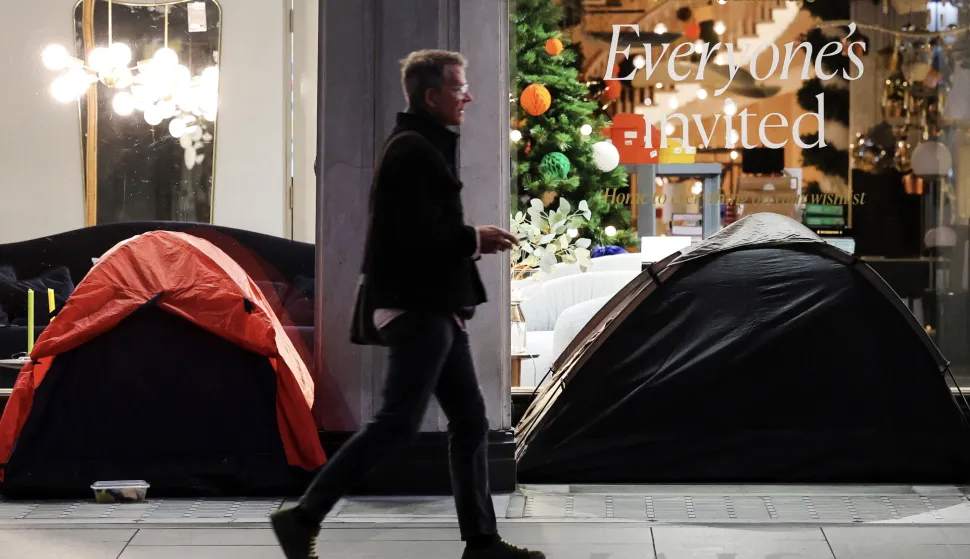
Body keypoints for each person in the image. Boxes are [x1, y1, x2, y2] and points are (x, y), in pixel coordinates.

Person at [270, 49, 545, 559]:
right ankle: (304, 515)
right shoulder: (413, 150)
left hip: (434, 307)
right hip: (417, 307)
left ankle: (482, 542)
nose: (469, 96)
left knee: (468, 420)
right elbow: (413, 237)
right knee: (398, 422)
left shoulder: (422, 146)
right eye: (459, 86)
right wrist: (473, 238)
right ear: (431, 95)